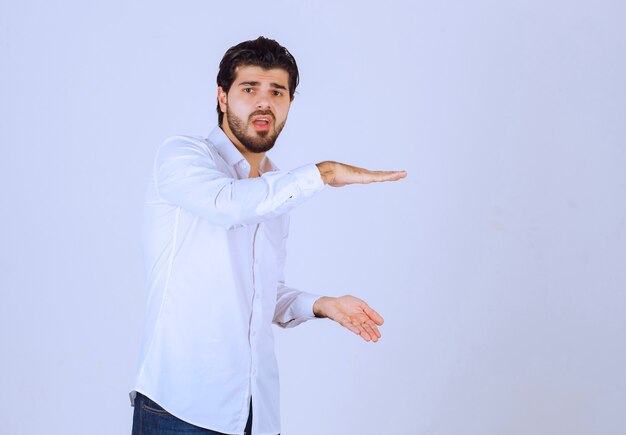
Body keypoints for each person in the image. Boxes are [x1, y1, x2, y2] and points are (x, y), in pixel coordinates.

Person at [130, 36, 406, 435]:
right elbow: (227, 205)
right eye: (249, 89)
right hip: (181, 408)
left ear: (290, 103)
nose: (264, 102)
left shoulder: (277, 189)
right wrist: (323, 173)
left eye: (277, 91)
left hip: (256, 413)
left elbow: (263, 293)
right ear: (222, 97)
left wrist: (322, 304)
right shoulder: (182, 156)